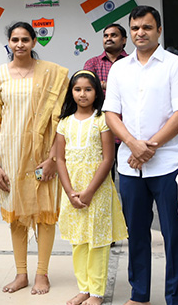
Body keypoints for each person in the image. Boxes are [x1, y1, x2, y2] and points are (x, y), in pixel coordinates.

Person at [103, 6, 178, 305]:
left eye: (147, 27)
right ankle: (139, 295)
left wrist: (148, 146)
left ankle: (176, 298)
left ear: (159, 30)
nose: (141, 33)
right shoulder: (119, 69)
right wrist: (133, 143)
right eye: (136, 28)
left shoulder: (175, 65)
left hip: (168, 165)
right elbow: (111, 114)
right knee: (136, 235)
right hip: (130, 169)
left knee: (172, 237)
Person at [0, 21, 69, 296]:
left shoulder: (53, 74)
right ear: (8, 43)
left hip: (43, 155)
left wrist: (53, 159)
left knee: (46, 215)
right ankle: (21, 273)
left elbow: (61, 120)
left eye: (25, 39)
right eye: (14, 39)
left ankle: (41, 274)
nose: (19, 44)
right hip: (11, 155)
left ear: (34, 42)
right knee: (16, 216)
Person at [53, 70, 127, 305]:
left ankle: (96, 292)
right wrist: (69, 191)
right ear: (71, 92)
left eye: (88, 89)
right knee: (78, 241)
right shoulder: (64, 123)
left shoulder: (102, 120)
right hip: (72, 191)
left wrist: (89, 191)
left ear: (97, 92)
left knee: (97, 242)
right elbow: (60, 159)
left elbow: (108, 159)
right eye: (77, 89)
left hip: (97, 192)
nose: (82, 94)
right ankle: (83, 288)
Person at [83, 23, 128, 90]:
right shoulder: (92, 63)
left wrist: (102, 85)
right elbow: (86, 86)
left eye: (113, 35)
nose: (109, 38)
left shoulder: (133, 61)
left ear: (124, 40)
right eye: (106, 36)